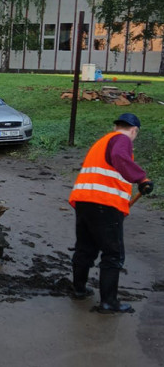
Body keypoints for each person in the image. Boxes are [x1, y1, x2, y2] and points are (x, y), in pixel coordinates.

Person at [68, 113, 154, 313]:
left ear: (116, 126)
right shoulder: (122, 140)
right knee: (113, 254)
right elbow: (119, 157)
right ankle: (108, 302)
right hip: (104, 204)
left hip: (84, 201)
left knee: (85, 247)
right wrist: (141, 179)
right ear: (134, 131)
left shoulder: (103, 141)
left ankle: (79, 289)